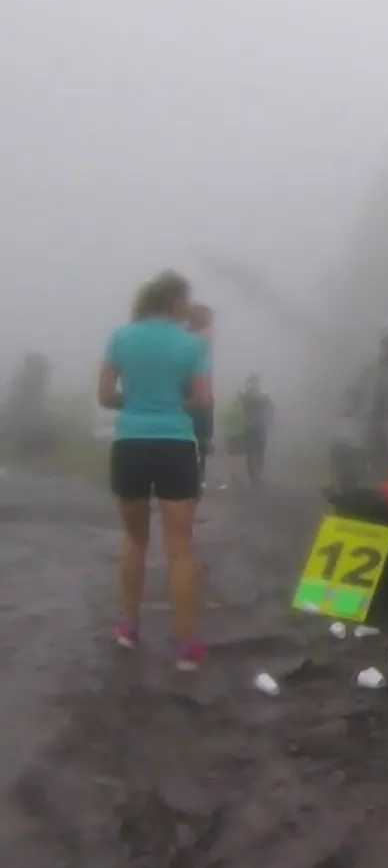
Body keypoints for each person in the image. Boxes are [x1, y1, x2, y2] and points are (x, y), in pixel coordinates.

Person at [99, 270, 215, 671]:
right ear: (176, 302)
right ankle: (187, 648)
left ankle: (128, 628)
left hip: (131, 441)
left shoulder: (121, 337)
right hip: (176, 444)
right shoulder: (191, 344)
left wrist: (136, 404)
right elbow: (202, 400)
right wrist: (170, 403)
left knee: (134, 538)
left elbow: (104, 395)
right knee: (180, 548)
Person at [183, 304, 215, 489]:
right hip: (193, 392)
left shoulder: (196, 337)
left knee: (198, 446)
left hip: (197, 393)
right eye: (208, 320)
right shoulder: (195, 339)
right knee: (196, 443)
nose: (211, 326)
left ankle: (195, 483)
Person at [226, 374, 273, 488]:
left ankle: (253, 476)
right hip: (260, 427)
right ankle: (258, 474)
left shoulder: (245, 395)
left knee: (250, 452)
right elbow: (269, 407)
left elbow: (239, 403)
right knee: (260, 452)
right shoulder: (262, 395)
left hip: (248, 428)